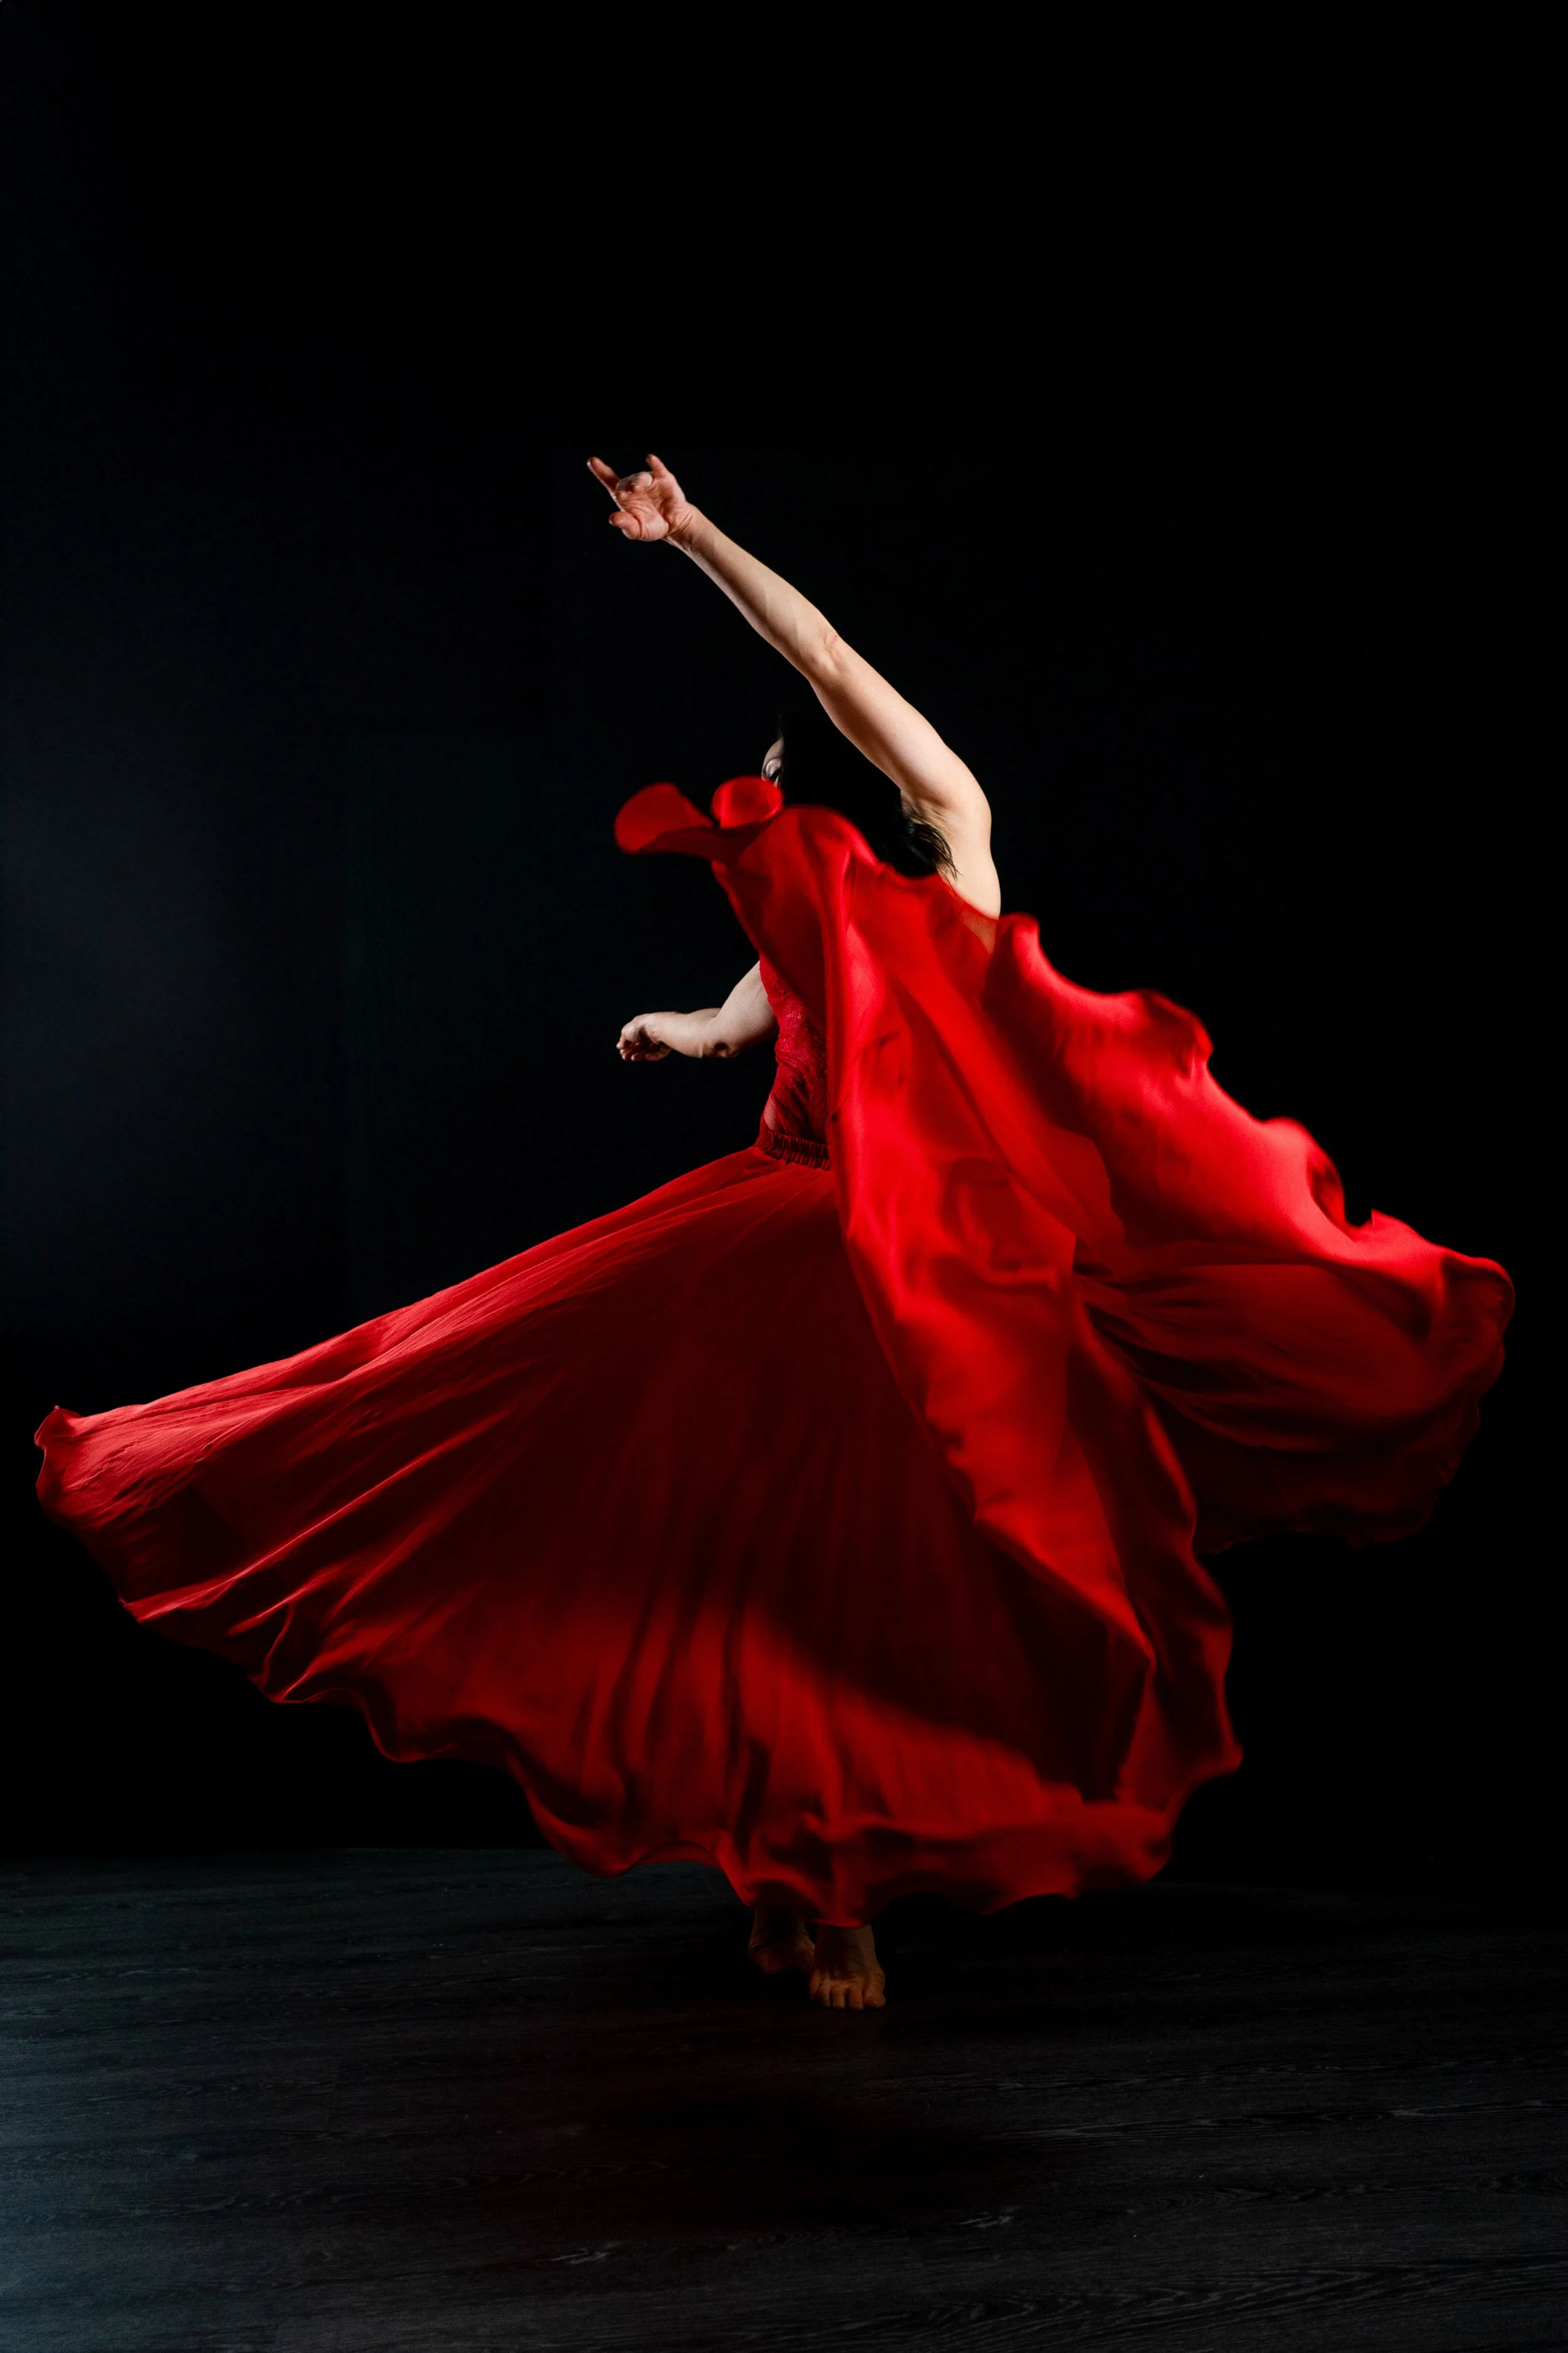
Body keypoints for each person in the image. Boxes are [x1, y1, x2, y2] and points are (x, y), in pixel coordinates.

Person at [35, 456, 1513, 2013]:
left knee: (849, 1586)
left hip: (919, 1279)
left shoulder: (952, 849)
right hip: (772, 1239)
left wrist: (691, 541)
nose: (797, 816)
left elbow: (822, 663)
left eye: (807, 788)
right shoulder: (819, 926)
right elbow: (751, 1017)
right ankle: (781, 1877)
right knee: (715, 1553)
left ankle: (840, 1892)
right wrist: (679, 1032)